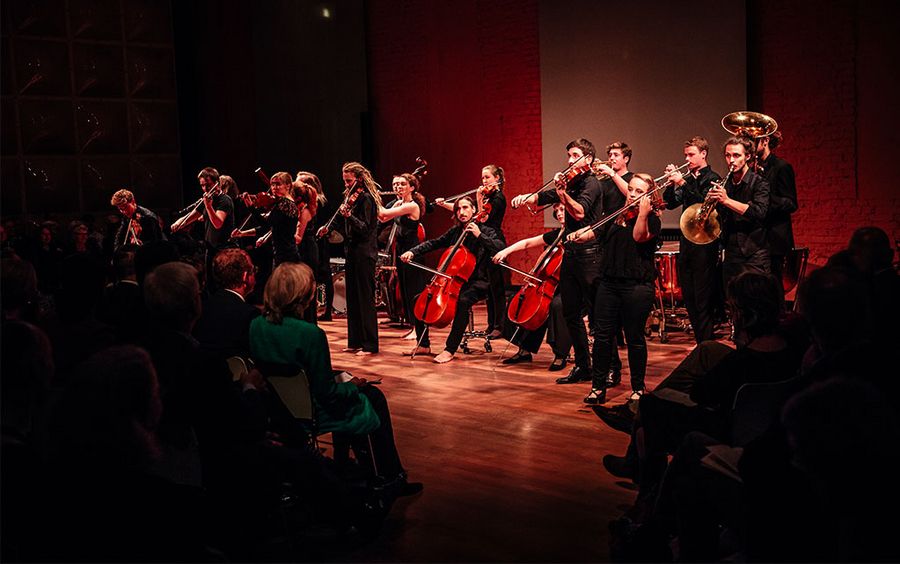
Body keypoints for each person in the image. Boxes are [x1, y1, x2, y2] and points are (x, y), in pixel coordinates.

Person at [249, 262, 422, 495]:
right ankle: (388, 476)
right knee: (372, 397)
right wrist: (352, 387)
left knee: (355, 392)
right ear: (304, 295)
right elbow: (326, 393)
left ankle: (348, 469)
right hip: (310, 411)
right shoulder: (311, 334)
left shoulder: (256, 326)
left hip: (276, 410)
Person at [512, 139, 603, 387]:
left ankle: (609, 369)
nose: (570, 160)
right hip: (572, 254)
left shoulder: (592, 183)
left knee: (599, 317)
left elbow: (580, 212)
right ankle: (584, 366)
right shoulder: (571, 183)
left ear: (588, 159)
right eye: (568, 155)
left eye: (574, 155)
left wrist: (562, 193)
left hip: (590, 255)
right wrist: (526, 198)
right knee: (570, 313)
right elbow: (545, 196)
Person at [568, 173, 662, 404]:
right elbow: (595, 232)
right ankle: (598, 387)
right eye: (631, 189)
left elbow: (639, 237)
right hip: (609, 283)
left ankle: (638, 388)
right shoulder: (615, 214)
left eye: (639, 191)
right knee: (602, 337)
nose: (632, 193)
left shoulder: (652, 219)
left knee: (634, 338)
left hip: (637, 287)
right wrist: (581, 236)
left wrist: (642, 212)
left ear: (649, 195)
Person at [400, 196, 504, 363]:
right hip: (453, 281)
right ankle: (423, 345)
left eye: (465, 208)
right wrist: (413, 251)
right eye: (458, 209)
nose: (461, 212)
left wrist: (479, 235)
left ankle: (450, 349)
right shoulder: (456, 231)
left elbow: (500, 247)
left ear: (474, 210)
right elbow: (434, 243)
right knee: (417, 299)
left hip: (478, 281)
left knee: (462, 302)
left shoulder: (486, 230)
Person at [492, 203, 572, 370]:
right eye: (556, 211)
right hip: (549, 286)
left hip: (572, 285)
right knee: (525, 302)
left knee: (557, 306)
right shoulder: (557, 234)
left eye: (562, 210)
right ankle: (524, 349)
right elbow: (528, 243)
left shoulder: (578, 233)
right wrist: (507, 251)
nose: (558, 213)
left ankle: (560, 354)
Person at [663, 137, 723, 344]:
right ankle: (701, 343)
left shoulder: (713, 178)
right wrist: (672, 184)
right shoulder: (687, 178)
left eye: (691, 154)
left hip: (705, 245)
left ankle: (705, 345)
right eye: (686, 155)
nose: (687, 159)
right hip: (687, 243)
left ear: (703, 154)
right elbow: (669, 204)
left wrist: (682, 182)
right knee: (689, 298)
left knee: (703, 299)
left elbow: (702, 202)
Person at [320, 162, 381, 356]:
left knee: (365, 299)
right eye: (344, 181)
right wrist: (327, 228)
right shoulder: (350, 198)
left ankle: (370, 345)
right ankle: (355, 342)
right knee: (353, 298)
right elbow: (338, 218)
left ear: (359, 179)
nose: (346, 185)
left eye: (349, 181)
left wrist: (350, 216)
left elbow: (364, 227)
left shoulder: (367, 199)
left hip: (365, 252)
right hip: (352, 251)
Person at [708, 136, 771, 293]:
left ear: (747, 157)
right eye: (728, 155)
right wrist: (712, 203)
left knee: (757, 300)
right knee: (733, 302)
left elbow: (759, 212)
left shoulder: (759, 183)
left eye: (736, 155)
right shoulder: (726, 183)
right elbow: (722, 217)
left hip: (754, 253)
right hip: (731, 252)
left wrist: (726, 200)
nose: (731, 160)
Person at [378, 172, 429, 347]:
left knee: (415, 291)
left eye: (402, 184)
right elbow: (382, 218)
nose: (397, 187)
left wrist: (372, 195)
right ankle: (413, 325)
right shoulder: (399, 203)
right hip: (400, 250)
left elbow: (383, 213)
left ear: (412, 187)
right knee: (406, 291)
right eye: (395, 184)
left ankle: (418, 330)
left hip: (412, 251)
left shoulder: (412, 206)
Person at [193, 248, 261, 360]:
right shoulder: (250, 315)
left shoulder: (202, 307)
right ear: (245, 276)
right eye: (253, 270)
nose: (255, 273)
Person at [756, 131, 798, 299]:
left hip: (774, 239)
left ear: (765, 141)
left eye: (753, 141)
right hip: (755, 239)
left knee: (772, 288)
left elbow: (791, 203)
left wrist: (764, 197)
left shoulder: (781, 167)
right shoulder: (750, 168)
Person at [231, 172, 301, 269]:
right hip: (283, 253)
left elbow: (266, 225)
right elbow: (270, 228)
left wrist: (251, 207)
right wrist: (242, 233)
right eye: (272, 184)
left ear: (288, 186)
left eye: (278, 184)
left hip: (286, 255)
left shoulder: (285, 204)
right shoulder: (281, 203)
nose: (274, 187)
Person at [170, 167, 235, 255]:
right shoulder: (207, 199)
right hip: (211, 248)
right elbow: (192, 215)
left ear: (217, 183)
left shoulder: (224, 200)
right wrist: (179, 223)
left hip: (223, 250)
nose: (205, 188)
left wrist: (208, 206)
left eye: (208, 185)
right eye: (202, 185)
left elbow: (218, 223)